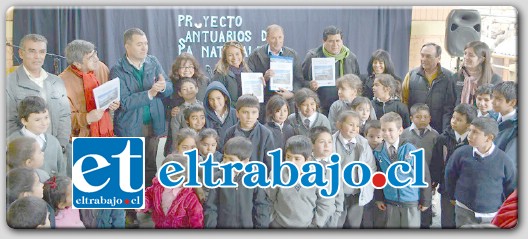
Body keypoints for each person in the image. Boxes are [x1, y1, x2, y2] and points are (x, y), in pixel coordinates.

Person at [110, 28, 173, 187]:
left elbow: (169, 88)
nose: (144, 48)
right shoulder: (117, 70)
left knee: (152, 165)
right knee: (131, 168)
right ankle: (131, 209)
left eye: (146, 43)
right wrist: (150, 93)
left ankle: (148, 204)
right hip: (130, 126)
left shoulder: (153, 61)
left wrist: (163, 86)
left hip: (155, 124)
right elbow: (124, 102)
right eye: (139, 44)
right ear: (127, 46)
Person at [6, 34, 71, 172]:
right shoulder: (8, 84)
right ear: (21, 53)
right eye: (32, 51)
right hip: (26, 160)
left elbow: (65, 115)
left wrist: (60, 145)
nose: (37, 56)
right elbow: (8, 123)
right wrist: (28, 152)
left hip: (56, 152)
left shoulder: (56, 81)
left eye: (41, 52)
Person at [60, 39, 120, 177]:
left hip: (105, 134)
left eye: (95, 53)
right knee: (85, 182)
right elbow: (63, 117)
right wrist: (87, 117)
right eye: (90, 57)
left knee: (107, 178)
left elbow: (110, 93)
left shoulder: (102, 68)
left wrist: (114, 103)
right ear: (77, 63)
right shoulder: (62, 81)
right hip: (80, 139)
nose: (97, 59)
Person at [445, 117, 515, 228]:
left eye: (475, 132)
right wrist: (452, 196)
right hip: (465, 210)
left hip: (492, 214)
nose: (469, 135)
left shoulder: (504, 161)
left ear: (489, 137)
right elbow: (450, 176)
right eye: (470, 130)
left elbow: (510, 188)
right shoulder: (461, 153)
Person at [373, 112, 432, 228]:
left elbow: (424, 175)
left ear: (400, 130)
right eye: (383, 130)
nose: (386, 133)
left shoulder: (411, 149)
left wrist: (426, 200)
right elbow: (378, 178)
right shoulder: (378, 152)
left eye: (390, 130)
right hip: (390, 200)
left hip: (410, 200)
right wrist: (379, 198)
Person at [267, 135, 334, 228]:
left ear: (307, 160)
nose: (291, 162)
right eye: (288, 157)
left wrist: (315, 224)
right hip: (279, 224)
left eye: (297, 159)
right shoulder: (277, 174)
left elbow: (325, 203)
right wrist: (272, 219)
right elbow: (269, 198)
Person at [204, 137, 270, 228]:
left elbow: (261, 207)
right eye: (225, 158)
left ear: (245, 161)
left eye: (231, 160)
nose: (226, 162)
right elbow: (211, 207)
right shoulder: (218, 177)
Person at [430, 103, 477, 229]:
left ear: (469, 124)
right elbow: (436, 162)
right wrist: (433, 182)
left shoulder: (474, 142)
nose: (454, 121)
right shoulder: (443, 139)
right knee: (447, 220)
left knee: (464, 223)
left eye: (459, 120)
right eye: (453, 117)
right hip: (446, 188)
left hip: (466, 190)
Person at [247, 24, 306, 122]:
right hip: (264, 102)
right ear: (267, 39)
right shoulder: (256, 55)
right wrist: (263, 78)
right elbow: (248, 79)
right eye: (273, 38)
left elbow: (299, 80)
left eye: (280, 37)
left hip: (286, 102)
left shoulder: (292, 55)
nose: (277, 41)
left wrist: (291, 94)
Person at [302, 25, 361, 116]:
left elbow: (357, 82)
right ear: (324, 41)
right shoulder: (313, 56)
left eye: (338, 41)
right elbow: (301, 82)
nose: (335, 45)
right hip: (320, 108)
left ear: (342, 41)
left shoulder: (350, 57)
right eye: (331, 41)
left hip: (346, 107)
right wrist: (310, 85)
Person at [332, 111, 375, 228]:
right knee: (336, 224)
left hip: (356, 194)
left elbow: (370, 167)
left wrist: (367, 188)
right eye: (351, 124)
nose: (355, 128)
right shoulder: (331, 143)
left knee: (354, 224)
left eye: (357, 125)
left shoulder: (363, 143)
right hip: (337, 195)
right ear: (339, 125)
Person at [402, 42, 456, 133]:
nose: (423, 59)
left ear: (438, 58)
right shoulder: (411, 75)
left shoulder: (449, 78)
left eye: (428, 56)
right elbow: (404, 102)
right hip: (415, 129)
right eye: (422, 55)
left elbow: (450, 108)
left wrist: (446, 131)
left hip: (439, 129)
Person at [400, 103, 439, 228]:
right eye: (418, 117)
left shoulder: (435, 135)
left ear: (430, 118)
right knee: (412, 204)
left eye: (425, 117)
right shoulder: (404, 134)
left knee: (426, 203)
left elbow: (437, 159)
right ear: (411, 118)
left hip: (428, 177)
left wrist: (434, 178)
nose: (422, 119)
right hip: (409, 177)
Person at [139, 154, 204, 228]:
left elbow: (196, 219)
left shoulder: (190, 197)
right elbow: (148, 196)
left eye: (175, 179)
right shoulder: (157, 187)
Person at [7, 96, 65, 177]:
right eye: (37, 120)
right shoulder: (12, 142)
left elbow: (61, 173)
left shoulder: (53, 142)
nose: (44, 123)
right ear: (24, 121)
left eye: (46, 117)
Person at [223, 94, 275, 171]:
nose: (249, 116)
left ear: (258, 114)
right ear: (237, 113)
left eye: (253, 112)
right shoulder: (230, 132)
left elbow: (270, 163)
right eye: (245, 112)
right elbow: (226, 158)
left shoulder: (265, 133)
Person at [308, 126, 343, 227]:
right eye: (322, 142)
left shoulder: (334, 164)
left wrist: (338, 212)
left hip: (331, 217)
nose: (327, 145)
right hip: (312, 219)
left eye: (330, 142)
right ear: (312, 144)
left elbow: (339, 192)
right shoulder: (307, 165)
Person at [454, 41, 502, 105]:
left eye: (471, 55)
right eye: (465, 53)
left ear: (481, 59)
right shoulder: (456, 77)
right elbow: (449, 105)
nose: (466, 57)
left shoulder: (495, 80)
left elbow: (497, 105)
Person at [165, 77, 203, 156]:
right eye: (185, 89)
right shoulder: (178, 111)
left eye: (191, 88)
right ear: (180, 93)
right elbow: (175, 135)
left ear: (197, 89)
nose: (188, 91)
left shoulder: (204, 107)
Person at [168, 52, 209, 116]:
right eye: (183, 67)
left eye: (190, 67)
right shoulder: (171, 84)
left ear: (194, 68)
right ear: (177, 69)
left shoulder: (204, 81)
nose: (187, 70)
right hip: (180, 121)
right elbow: (164, 106)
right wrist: (170, 112)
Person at [212, 40, 251, 106]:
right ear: (225, 58)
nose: (234, 58)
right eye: (230, 55)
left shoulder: (247, 71)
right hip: (230, 112)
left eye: (237, 54)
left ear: (242, 54)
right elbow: (218, 97)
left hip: (246, 110)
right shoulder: (220, 74)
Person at [203, 81, 238, 152]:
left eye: (218, 98)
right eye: (211, 99)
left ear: (225, 97)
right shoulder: (204, 116)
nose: (215, 103)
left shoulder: (235, 114)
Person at [492, 81, 517, 171]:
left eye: (498, 99)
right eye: (493, 97)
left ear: (512, 102)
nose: (493, 102)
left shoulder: (516, 128)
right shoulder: (491, 117)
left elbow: (509, 162)